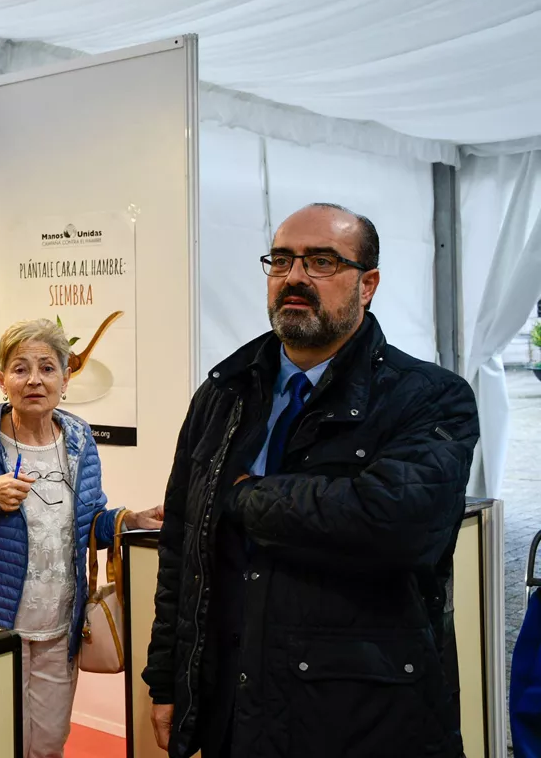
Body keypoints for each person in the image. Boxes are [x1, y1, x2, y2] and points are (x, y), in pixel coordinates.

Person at [143, 203, 479, 758]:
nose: (294, 277)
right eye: (281, 261)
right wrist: (167, 679)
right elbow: (182, 547)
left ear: (366, 285)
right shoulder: (223, 394)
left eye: (321, 261)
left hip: (361, 716)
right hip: (233, 703)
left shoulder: (427, 397)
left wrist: (248, 495)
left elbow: (395, 525)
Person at [0, 318, 163, 758]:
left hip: (61, 627)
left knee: (50, 744)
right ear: (1, 380)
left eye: (47, 367)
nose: (34, 380)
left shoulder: (79, 442)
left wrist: (128, 519)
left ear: (65, 377)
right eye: (20, 369)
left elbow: (88, 524)